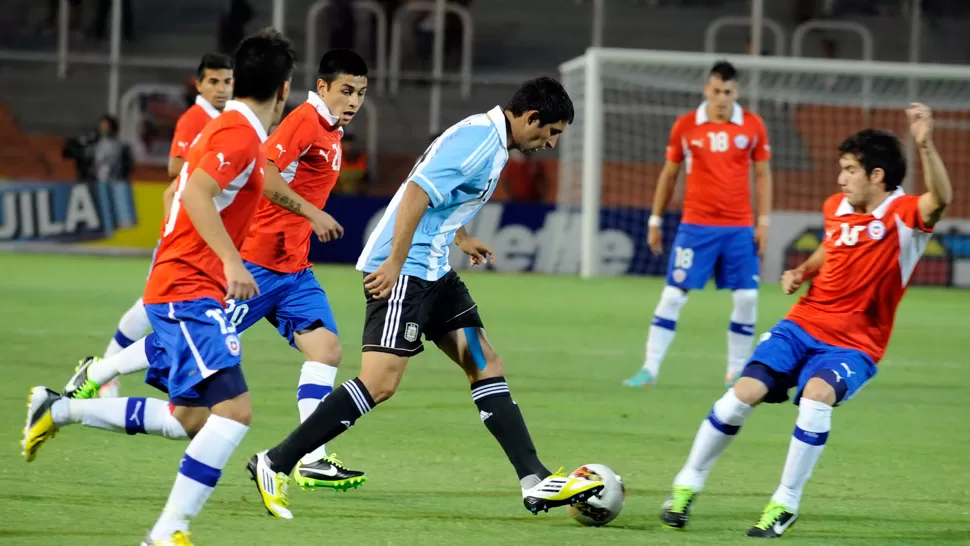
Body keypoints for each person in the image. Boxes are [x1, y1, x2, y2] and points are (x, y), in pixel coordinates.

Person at [246, 77, 607, 520]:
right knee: (379, 383)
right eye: (551, 132)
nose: (551, 143)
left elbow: (440, 194)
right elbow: (416, 192)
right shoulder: (479, 141)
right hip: (407, 269)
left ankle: (533, 478)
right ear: (531, 118)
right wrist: (396, 263)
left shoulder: (489, 139)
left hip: (434, 269)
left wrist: (461, 235)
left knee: (485, 362)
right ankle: (275, 461)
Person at [52, 49, 371, 492]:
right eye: (345, 91)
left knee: (327, 351)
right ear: (322, 88)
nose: (353, 101)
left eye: (360, 93)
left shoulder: (333, 131)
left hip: (293, 267)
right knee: (175, 345)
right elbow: (269, 170)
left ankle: (311, 457)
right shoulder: (304, 121)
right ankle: (99, 372)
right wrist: (312, 214)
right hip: (258, 264)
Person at [23, 28, 296, 546]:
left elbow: (180, 189)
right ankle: (168, 532)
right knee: (234, 412)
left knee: (189, 419)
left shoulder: (232, 131)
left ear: (239, 79)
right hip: (189, 287)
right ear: (284, 89)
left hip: (187, 283)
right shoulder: (237, 135)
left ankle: (58, 408)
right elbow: (193, 192)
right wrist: (230, 261)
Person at [661, 103, 951, 538]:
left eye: (850, 169)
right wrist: (804, 271)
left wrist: (925, 144)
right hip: (803, 324)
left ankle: (785, 502)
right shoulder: (836, 206)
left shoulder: (906, 215)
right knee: (741, 394)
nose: (840, 178)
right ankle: (687, 484)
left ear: (876, 175)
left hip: (856, 344)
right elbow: (833, 246)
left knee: (817, 397)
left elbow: (942, 198)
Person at [623, 60, 773, 389]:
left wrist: (763, 221)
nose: (721, 98)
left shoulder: (753, 126)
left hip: (738, 228)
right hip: (696, 227)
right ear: (707, 89)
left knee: (747, 298)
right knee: (673, 296)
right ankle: (649, 369)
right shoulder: (686, 126)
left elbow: (762, 176)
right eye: (716, 90)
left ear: (737, 92)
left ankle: (735, 372)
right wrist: (655, 219)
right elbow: (669, 174)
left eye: (728, 92)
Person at [97, 53, 234, 399]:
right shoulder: (195, 118)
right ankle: (106, 367)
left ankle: (110, 367)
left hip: (198, 230)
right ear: (199, 84)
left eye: (227, 81)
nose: (221, 88)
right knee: (151, 303)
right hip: (184, 229)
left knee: (155, 303)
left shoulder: (222, 119)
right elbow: (176, 167)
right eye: (214, 81)